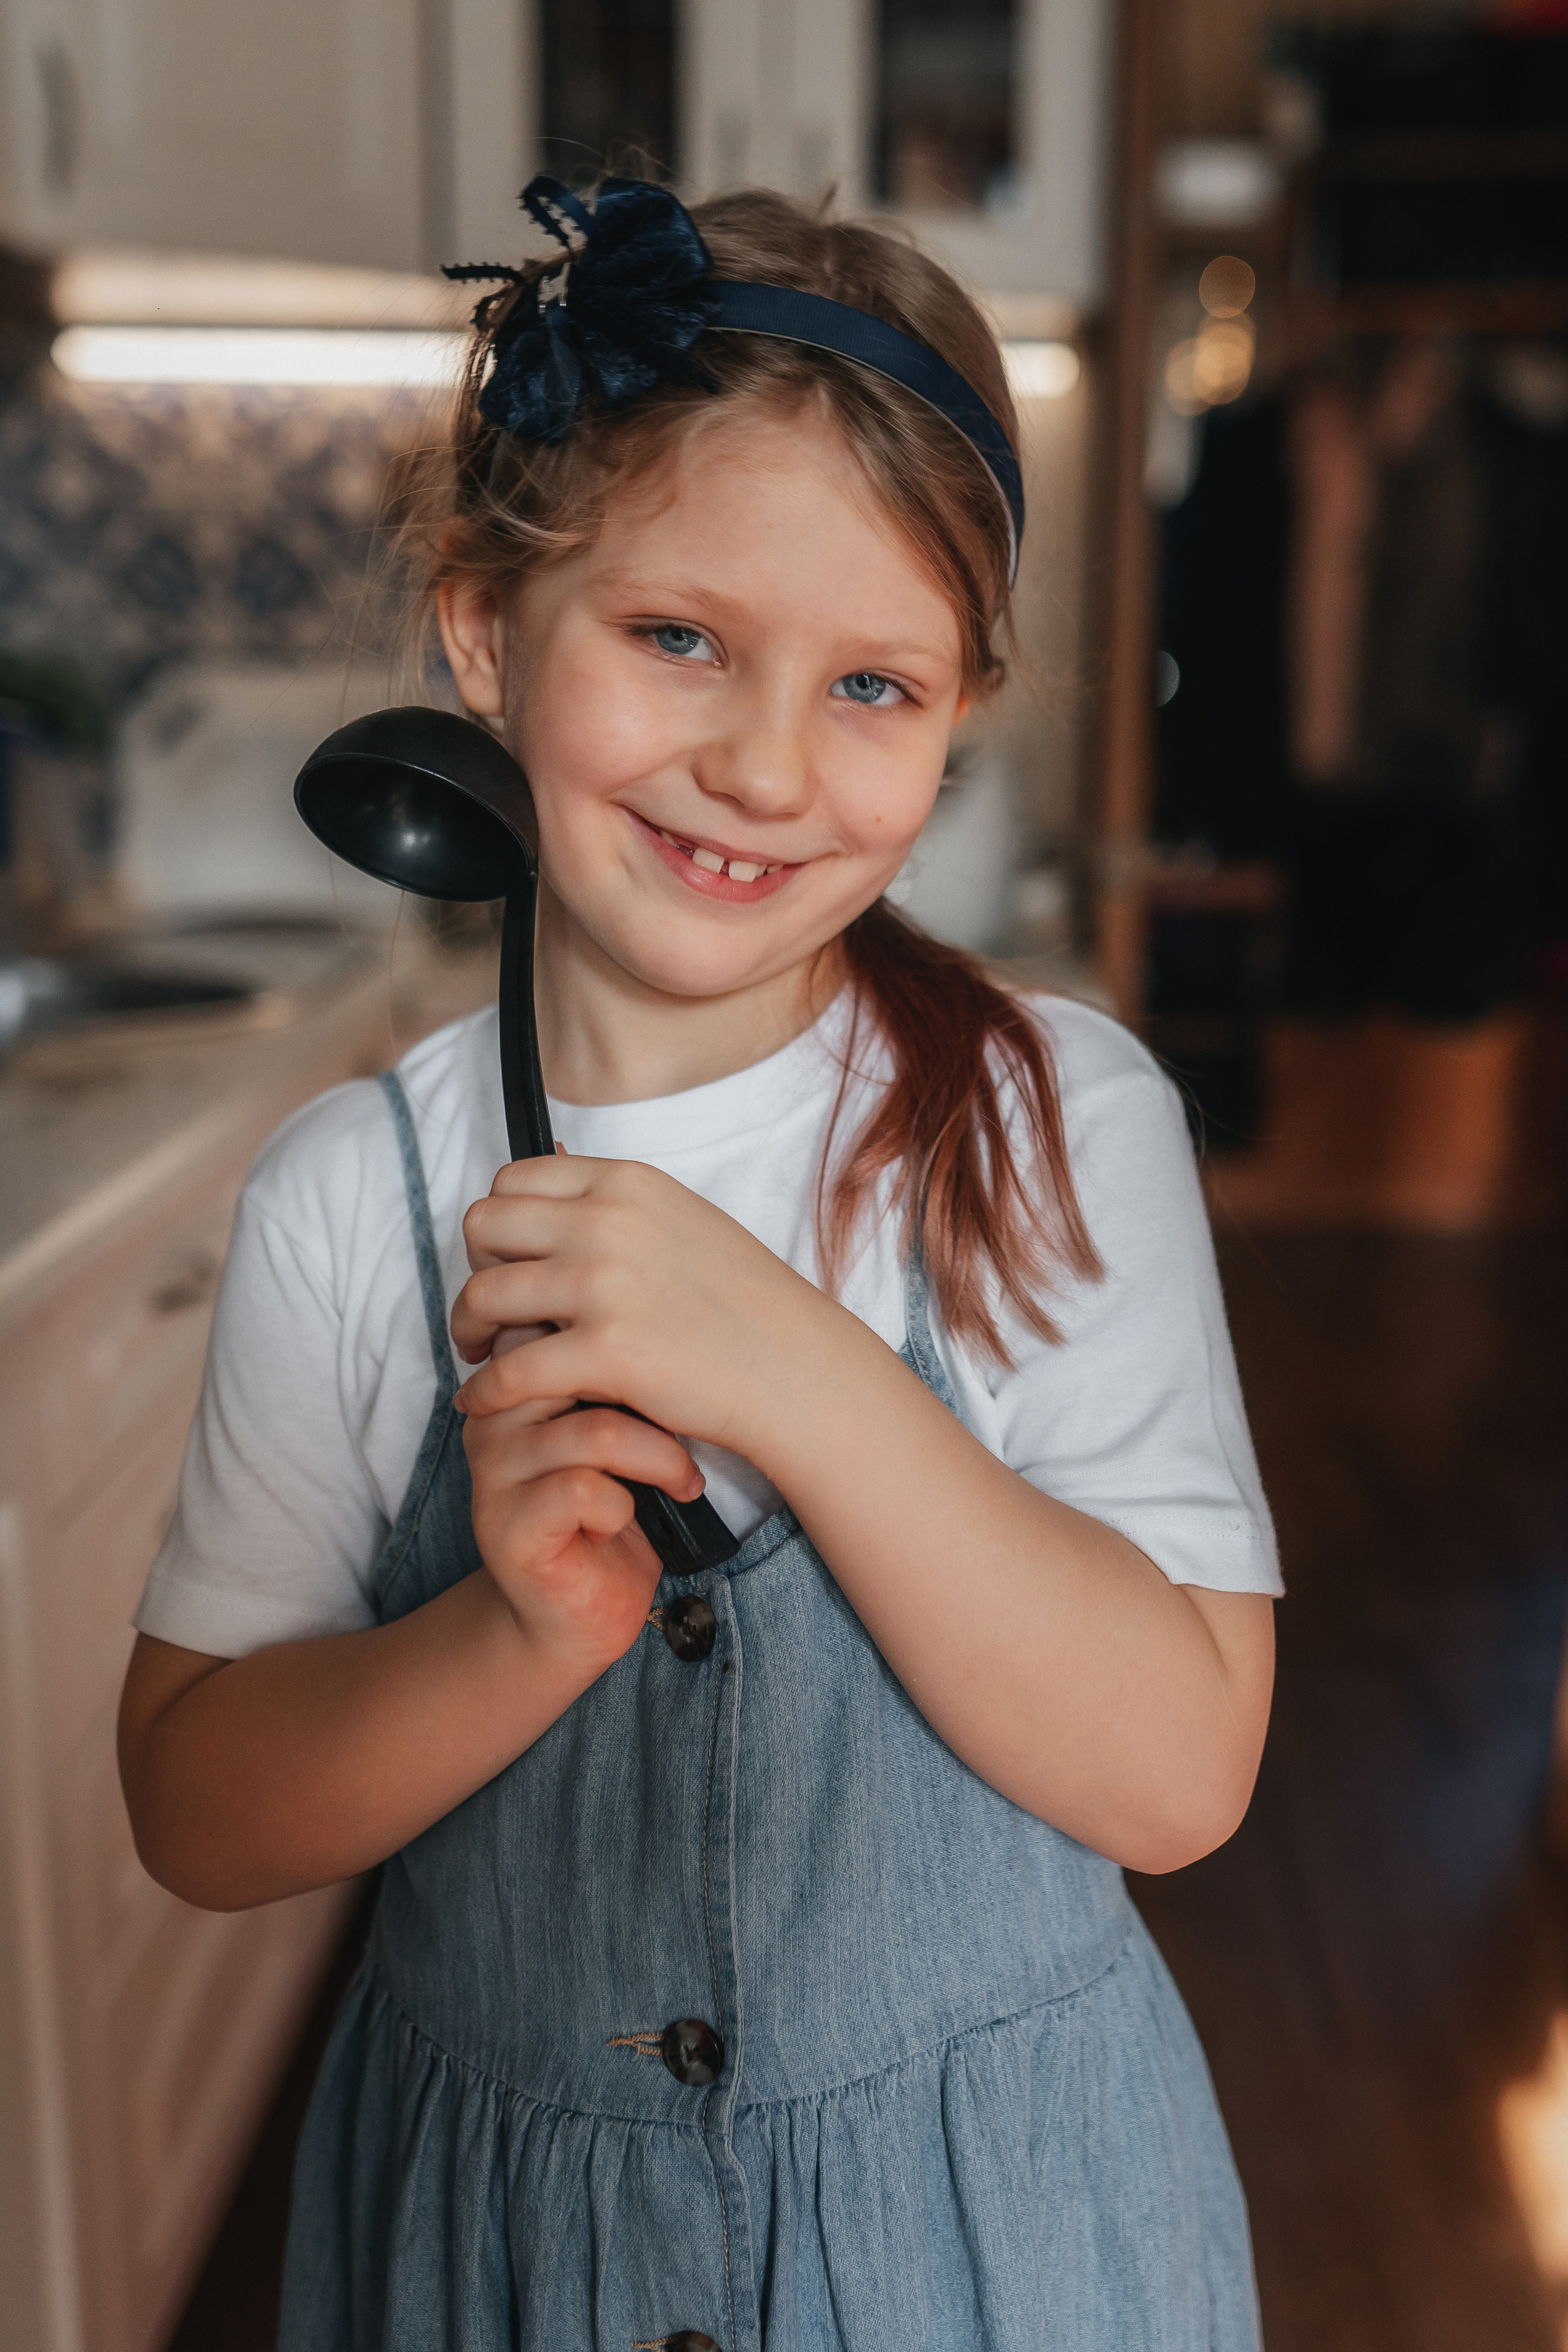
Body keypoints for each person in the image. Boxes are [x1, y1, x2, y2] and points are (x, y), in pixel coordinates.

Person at [118, 176, 1280, 2352]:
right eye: (678, 639)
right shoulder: (350, 1198)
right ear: (485, 632)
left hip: (1005, 2249)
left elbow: (1178, 1772)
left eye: (872, 683)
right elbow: (196, 1805)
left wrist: (800, 1371)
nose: (762, 762)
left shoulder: (1056, 1124)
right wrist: (511, 1635)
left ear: (960, 719)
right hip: (501, 2265)